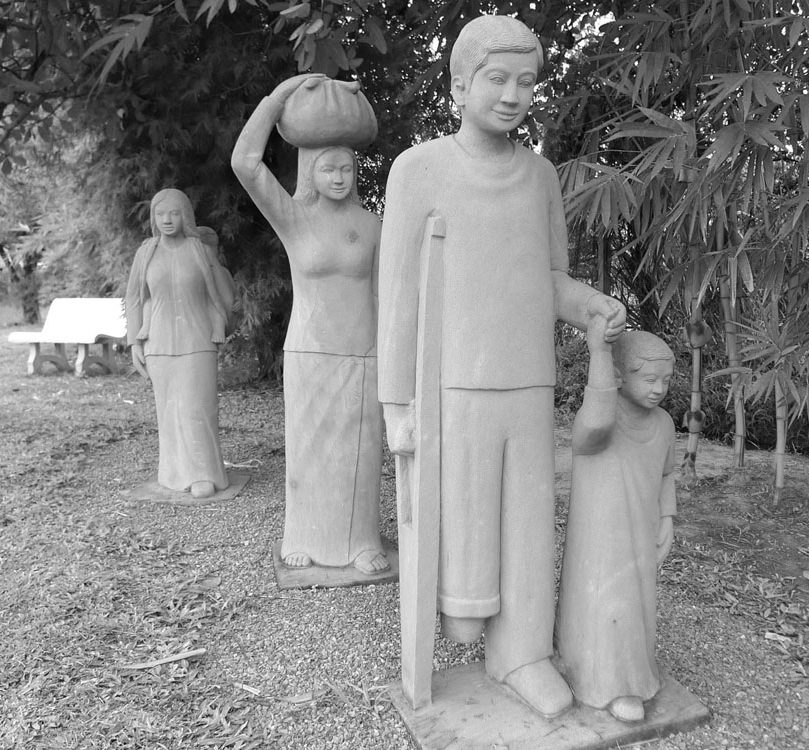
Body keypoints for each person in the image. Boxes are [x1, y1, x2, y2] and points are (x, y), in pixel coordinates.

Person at [378, 15, 626, 717]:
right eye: (496, 79)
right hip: (453, 387)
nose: (513, 95)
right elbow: (397, 296)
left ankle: (522, 654)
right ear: (460, 86)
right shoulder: (419, 171)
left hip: (529, 380)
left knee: (529, 517)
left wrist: (591, 305)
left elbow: (551, 278)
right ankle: (469, 626)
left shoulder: (540, 175)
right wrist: (396, 405)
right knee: (465, 531)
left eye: (526, 81)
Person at [231, 75, 389, 575]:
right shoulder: (294, 218)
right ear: (310, 171)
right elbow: (245, 163)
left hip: (362, 352)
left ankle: (361, 541)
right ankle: (303, 536)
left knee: (361, 452)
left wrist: (390, 354)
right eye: (328, 168)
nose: (339, 177)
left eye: (347, 168)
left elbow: (384, 294)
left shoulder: (372, 225)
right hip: (310, 352)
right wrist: (278, 97)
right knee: (309, 451)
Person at [556, 325, 676, 723]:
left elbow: (666, 474)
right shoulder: (601, 421)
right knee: (607, 601)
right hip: (600, 534)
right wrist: (600, 354)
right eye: (650, 379)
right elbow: (592, 425)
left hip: (642, 528)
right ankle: (611, 684)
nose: (659, 389)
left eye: (665, 380)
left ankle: (634, 674)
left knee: (638, 603)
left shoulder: (664, 425)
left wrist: (667, 517)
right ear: (620, 376)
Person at [125, 188, 237, 499]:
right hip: (158, 342)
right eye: (160, 214)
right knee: (169, 410)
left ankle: (204, 473)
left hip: (198, 338)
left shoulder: (199, 249)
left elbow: (223, 294)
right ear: (153, 218)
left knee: (198, 408)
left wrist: (213, 262)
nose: (167, 220)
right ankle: (174, 474)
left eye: (174, 213)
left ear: (185, 216)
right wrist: (134, 343)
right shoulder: (146, 253)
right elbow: (134, 298)